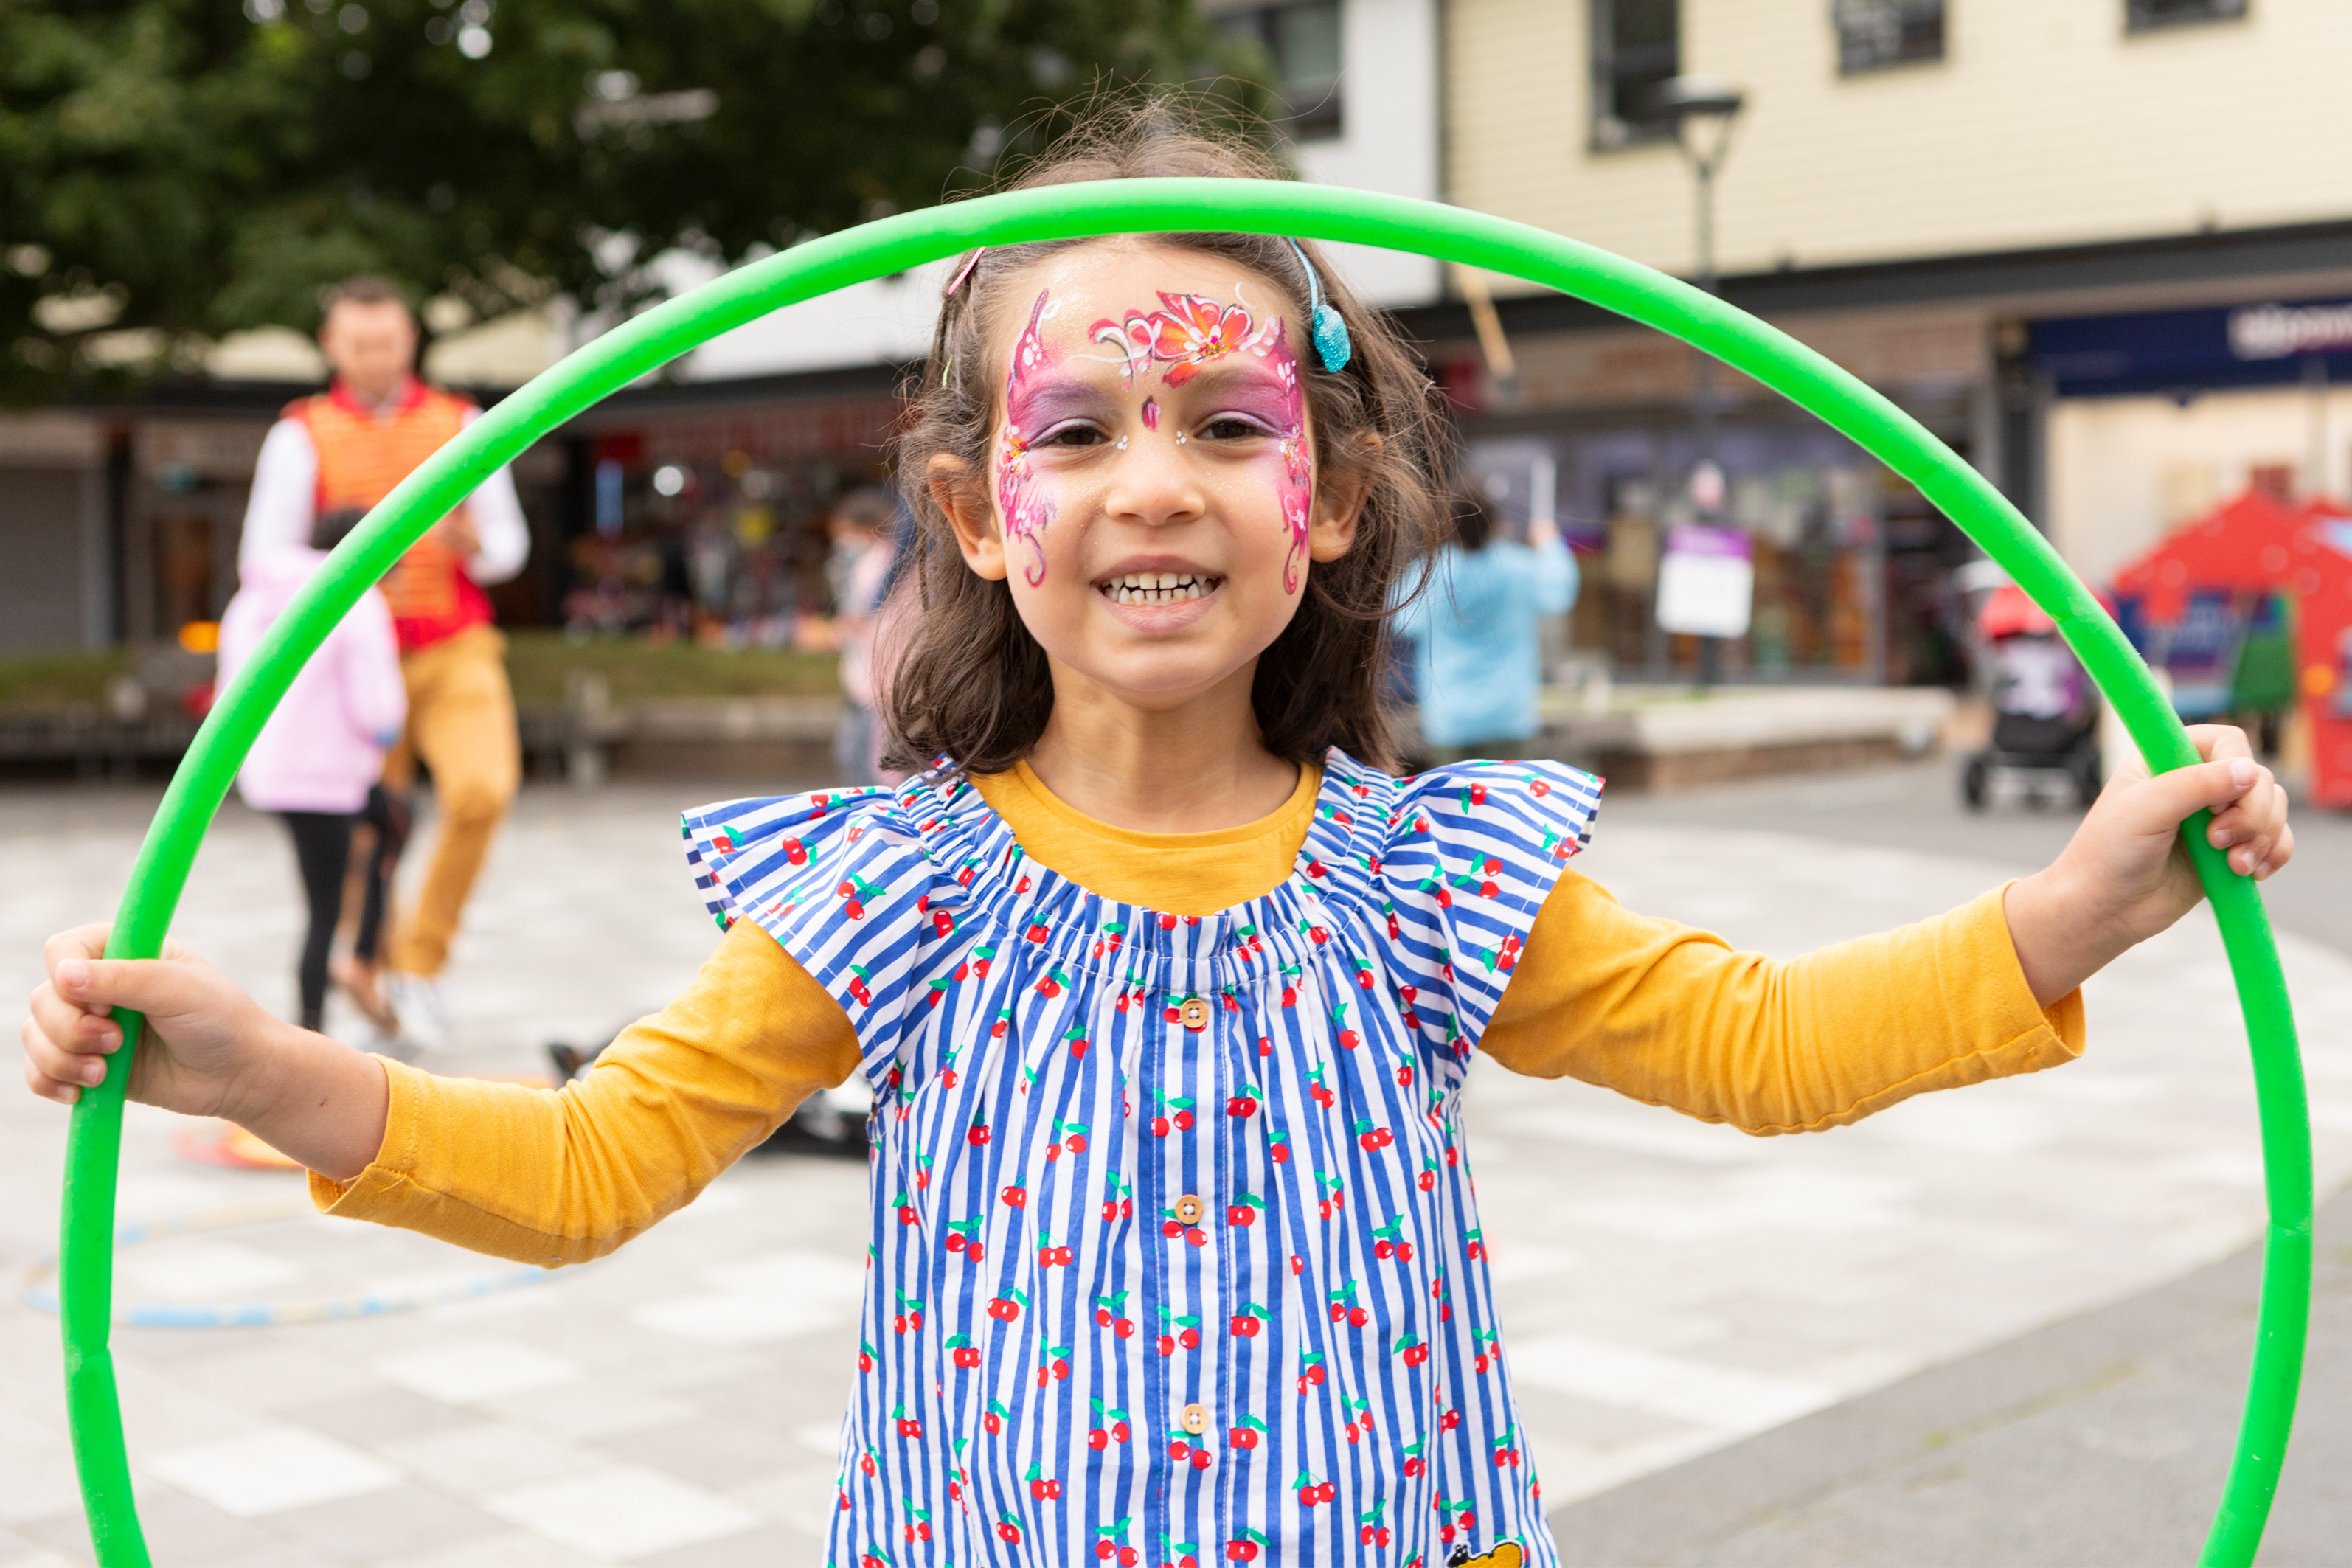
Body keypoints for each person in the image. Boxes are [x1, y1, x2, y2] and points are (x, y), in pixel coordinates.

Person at [23, 104, 2296, 1567]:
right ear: (970, 513)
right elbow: (585, 1161)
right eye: (1078, 424)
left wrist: (2081, 897)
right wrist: (254, 1064)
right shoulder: (896, 892)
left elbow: (1766, 1041)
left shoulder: (1427, 882)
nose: (1154, 482)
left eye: (1227, 420)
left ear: (1326, 497)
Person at [237, 276, 531, 1050]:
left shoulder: (460, 423)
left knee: (481, 789)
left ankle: (419, 964)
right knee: (369, 835)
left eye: (391, 340)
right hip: (349, 660)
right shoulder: (300, 434)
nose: (376, 355)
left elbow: (508, 544)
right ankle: (380, 975)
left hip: (452, 643)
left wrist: (475, 548)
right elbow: (263, 557)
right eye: (360, 342)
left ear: (412, 342)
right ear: (332, 345)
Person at [214, 508, 407, 1038]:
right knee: (324, 906)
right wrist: (387, 733)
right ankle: (313, 1025)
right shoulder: (356, 596)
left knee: (392, 821)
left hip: (269, 773)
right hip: (325, 778)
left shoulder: (253, 596)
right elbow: (378, 709)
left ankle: (358, 963)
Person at [1398, 483, 1579, 763]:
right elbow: (1560, 592)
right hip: (1507, 716)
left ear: (1448, 526)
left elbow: (1401, 621)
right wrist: (1548, 542)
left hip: (1449, 719)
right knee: (1505, 804)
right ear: (1495, 523)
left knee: (1451, 805)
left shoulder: (1430, 573)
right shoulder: (1517, 568)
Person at [825, 485, 901, 785]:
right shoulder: (878, 561)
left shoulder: (884, 563)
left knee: (866, 763)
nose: (843, 542)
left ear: (867, 528)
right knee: (860, 759)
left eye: (846, 532)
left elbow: (877, 617)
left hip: (880, 684)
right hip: (869, 682)